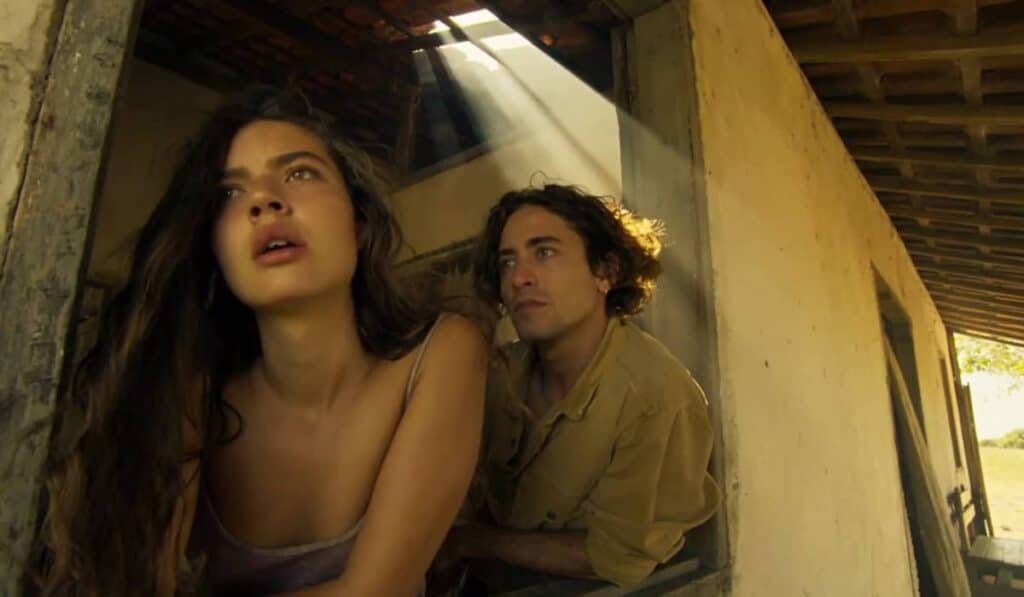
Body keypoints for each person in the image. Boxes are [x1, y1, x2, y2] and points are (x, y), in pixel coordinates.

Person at [34, 89, 486, 596]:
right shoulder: (193, 393)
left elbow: (375, 592)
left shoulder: (441, 353)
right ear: (214, 247)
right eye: (230, 192)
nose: (264, 201)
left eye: (300, 173)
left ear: (359, 223)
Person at [447, 184, 719, 588]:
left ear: (605, 272)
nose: (519, 278)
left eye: (544, 252)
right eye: (507, 262)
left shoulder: (654, 396)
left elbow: (615, 556)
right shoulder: (497, 374)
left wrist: (472, 542)